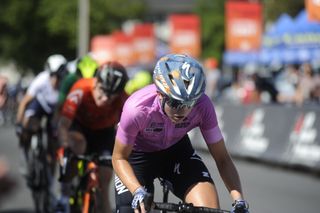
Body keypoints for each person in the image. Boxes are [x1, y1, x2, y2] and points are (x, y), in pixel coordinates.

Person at [112, 54, 249, 213]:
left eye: (189, 103)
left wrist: (239, 200)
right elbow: (119, 157)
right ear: (160, 94)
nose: (182, 111)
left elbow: (222, 158)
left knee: (208, 208)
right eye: (175, 102)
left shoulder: (203, 106)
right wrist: (137, 191)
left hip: (176, 151)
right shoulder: (136, 109)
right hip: (137, 156)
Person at [56, 61, 129, 213]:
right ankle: (64, 196)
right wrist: (64, 145)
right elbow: (63, 124)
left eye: (111, 96)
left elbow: (130, 129)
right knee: (78, 146)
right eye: (102, 91)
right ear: (96, 82)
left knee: (104, 181)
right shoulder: (81, 88)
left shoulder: (124, 99)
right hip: (80, 128)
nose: (105, 99)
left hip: (104, 132)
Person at [15, 54, 67, 178]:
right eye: (53, 76)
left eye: (59, 77)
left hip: (53, 111)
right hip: (38, 105)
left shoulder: (65, 84)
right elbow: (24, 102)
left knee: (53, 146)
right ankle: (25, 151)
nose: (55, 81)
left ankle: (49, 180)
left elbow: (62, 110)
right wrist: (19, 123)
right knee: (28, 125)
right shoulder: (41, 80)